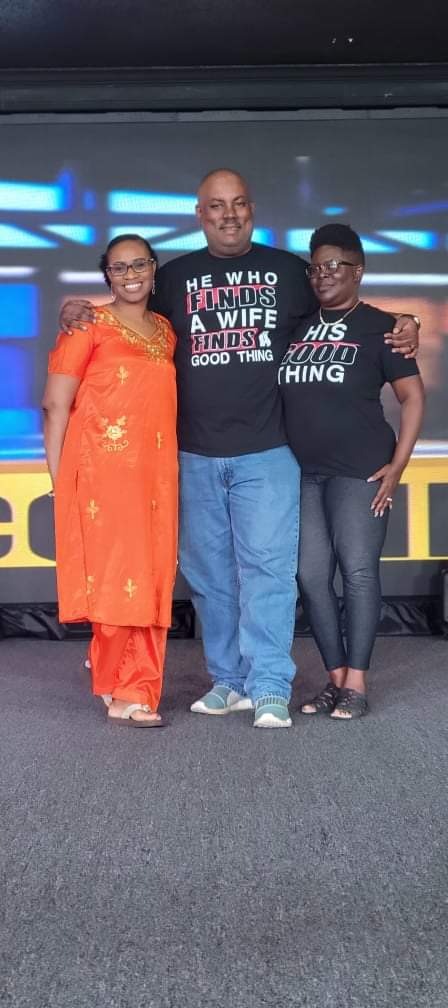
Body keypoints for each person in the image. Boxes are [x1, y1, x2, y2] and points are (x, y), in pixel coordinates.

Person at [59, 170, 420, 728]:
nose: (229, 214)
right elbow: (122, 307)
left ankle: (269, 685)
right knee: (209, 577)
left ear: (252, 209)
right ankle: (227, 680)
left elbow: (344, 301)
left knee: (269, 572)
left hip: (268, 450)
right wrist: (73, 311)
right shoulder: (172, 278)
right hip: (193, 454)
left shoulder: (289, 272)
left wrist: (406, 321)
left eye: (239, 204)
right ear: (200, 215)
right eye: (216, 205)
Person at [278, 223, 425, 719]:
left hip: (361, 470)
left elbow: (413, 398)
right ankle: (336, 677)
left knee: (358, 572)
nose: (322, 275)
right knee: (310, 575)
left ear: (357, 271)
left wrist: (398, 466)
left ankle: (357, 684)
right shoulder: (297, 326)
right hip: (304, 471)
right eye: (315, 268)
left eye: (333, 266)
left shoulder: (381, 328)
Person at [43, 235, 178, 727]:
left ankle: (128, 678)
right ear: (107, 275)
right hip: (102, 475)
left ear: (154, 268)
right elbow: (54, 405)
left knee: (151, 576)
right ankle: (125, 686)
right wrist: (61, 479)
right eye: (119, 267)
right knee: (119, 577)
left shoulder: (165, 330)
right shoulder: (87, 325)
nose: (130, 274)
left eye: (139, 264)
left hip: (156, 477)